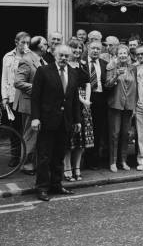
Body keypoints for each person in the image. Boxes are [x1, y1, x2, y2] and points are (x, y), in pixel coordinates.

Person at [31, 44, 82, 201]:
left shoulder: (73, 73)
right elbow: (35, 97)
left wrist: (77, 120)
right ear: (54, 55)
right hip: (47, 121)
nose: (64, 58)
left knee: (59, 155)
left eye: (67, 56)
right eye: (61, 55)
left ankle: (56, 185)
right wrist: (35, 117)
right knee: (45, 156)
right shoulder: (43, 71)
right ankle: (42, 188)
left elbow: (74, 100)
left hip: (65, 122)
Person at [14, 35, 48, 174]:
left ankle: (33, 163)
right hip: (29, 104)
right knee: (29, 135)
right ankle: (26, 165)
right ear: (40, 47)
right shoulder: (27, 60)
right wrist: (38, 88)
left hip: (38, 104)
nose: (47, 46)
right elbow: (18, 82)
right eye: (45, 44)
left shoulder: (41, 60)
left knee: (36, 134)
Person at [63, 39, 92, 181]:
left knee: (81, 141)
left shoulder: (83, 65)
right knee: (69, 141)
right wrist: (82, 100)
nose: (77, 51)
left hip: (84, 105)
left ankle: (77, 168)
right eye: (74, 48)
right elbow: (71, 88)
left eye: (80, 48)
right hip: (70, 103)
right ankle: (67, 169)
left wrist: (87, 100)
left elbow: (88, 84)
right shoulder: (65, 65)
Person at [105, 45, 137, 172]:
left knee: (125, 134)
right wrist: (115, 76)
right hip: (115, 105)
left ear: (128, 55)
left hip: (128, 106)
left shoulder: (133, 68)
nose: (123, 55)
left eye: (125, 53)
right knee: (114, 134)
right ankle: (112, 162)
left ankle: (123, 161)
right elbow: (107, 85)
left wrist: (134, 105)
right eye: (121, 53)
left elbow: (136, 86)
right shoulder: (111, 67)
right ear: (116, 55)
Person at [1, 31, 30, 166]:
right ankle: (15, 156)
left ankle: (27, 156)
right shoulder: (8, 57)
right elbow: (4, 78)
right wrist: (4, 97)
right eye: (23, 42)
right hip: (12, 96)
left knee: (26, 128)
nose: (25, 45)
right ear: (16, 42)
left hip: (25, 97)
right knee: (14, 128)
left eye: (28, 43)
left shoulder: (31, 57)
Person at [81, 40, 109, 169]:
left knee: (97, 130)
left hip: (100, 99)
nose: (96, 51)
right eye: (93, 48)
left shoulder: (105, 64)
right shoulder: (81, 63)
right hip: (85, 99)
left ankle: (93, 160)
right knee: (83, 129)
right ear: (88, 48)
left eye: (98, 49)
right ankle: (81, 160)